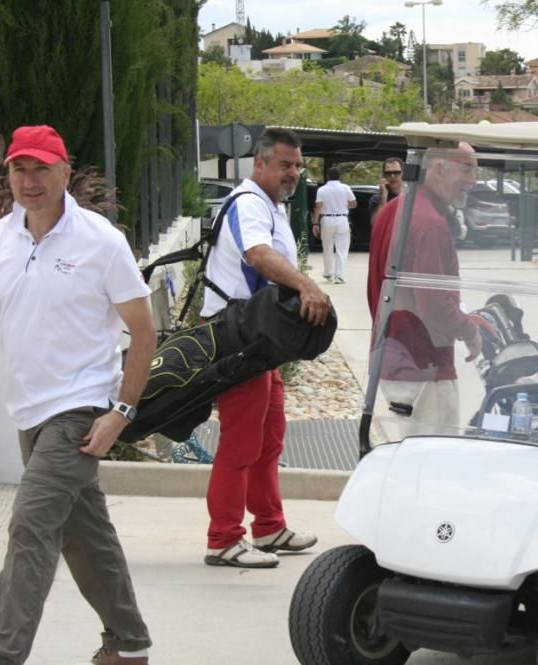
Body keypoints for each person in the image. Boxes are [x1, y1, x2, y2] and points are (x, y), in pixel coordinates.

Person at [0, 125, 155, 665]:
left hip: (82, 407)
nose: (29, 180)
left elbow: (144, 329)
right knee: (82, 534)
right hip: (29, 410)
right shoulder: (0, 238)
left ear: (66, 172)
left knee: (30, 527)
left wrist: (121, 413)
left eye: (41, 168)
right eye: (20, 168)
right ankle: (129, 644)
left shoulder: (100, 241)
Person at [201, 128, 331, 568]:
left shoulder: (270, 207)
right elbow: (257, 255)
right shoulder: (249, 204)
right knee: (240, 441)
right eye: (284, 165)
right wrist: (307, 285)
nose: (293, 173)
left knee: (270, 436)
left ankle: (269, 526)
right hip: (239, 339)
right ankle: (223, 538)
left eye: (298, 165)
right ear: (259, 165)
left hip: (261, 340)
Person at [366, 144, 488, 425]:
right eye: (467, 169)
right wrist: (469, 331)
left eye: (475, 170)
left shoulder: (394, 210)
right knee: (435, 463)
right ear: (439, 169)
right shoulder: (431, 224)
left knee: (411, 458)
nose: (473, 180)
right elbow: (433, 305)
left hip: (393, 356)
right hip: (425, 366)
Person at [312, 166, 357, 284]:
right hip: (342, 219)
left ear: (327, 176)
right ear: (339, 176)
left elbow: (318, 207)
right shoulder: (346, 188)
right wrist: (342, 206)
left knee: (327, 247)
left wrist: (315, 223)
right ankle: (339, 276)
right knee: (342, 249)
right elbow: (353, 203)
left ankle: (328, 272)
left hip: (327, 219)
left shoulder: (322, 190)